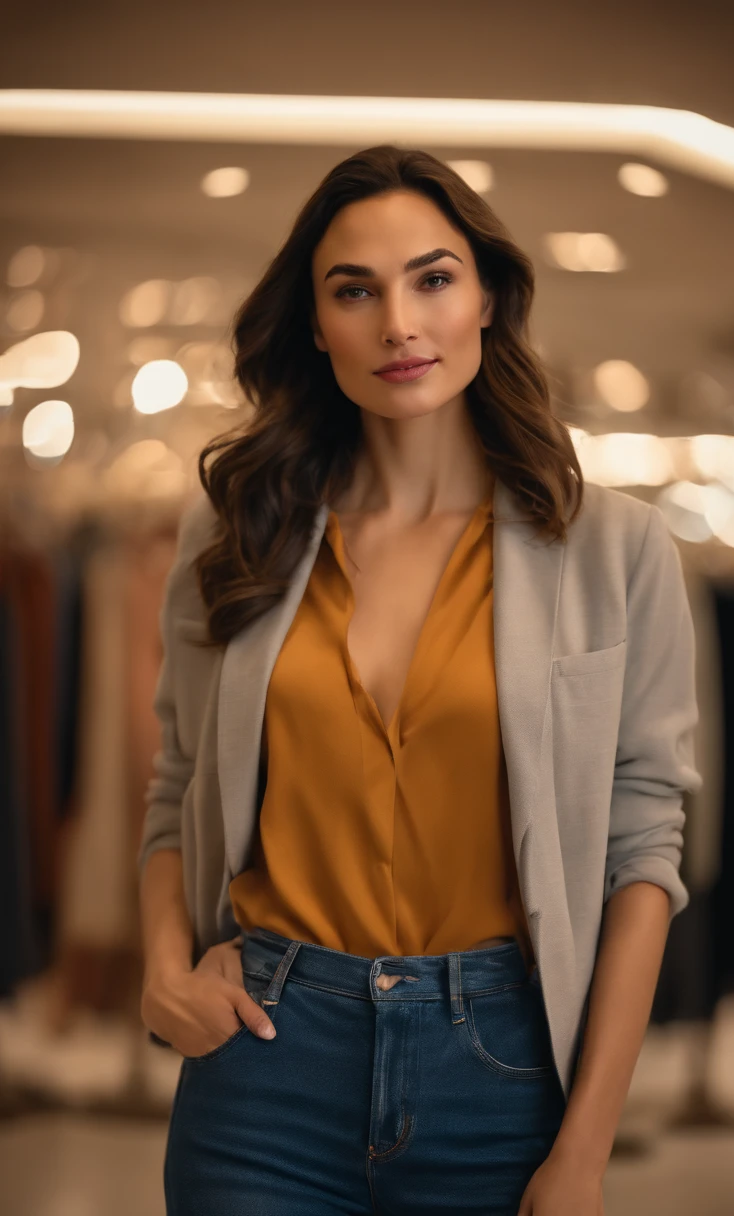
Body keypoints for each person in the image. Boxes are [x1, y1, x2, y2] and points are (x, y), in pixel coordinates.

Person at [137, 144, 702, 1216]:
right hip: (266, 1060)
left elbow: (643, 848)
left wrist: (584, 1149)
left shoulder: (613, 552)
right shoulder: (237, 531)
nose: (398, 322)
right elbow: (175, 783)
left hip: (499, 1068)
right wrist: (165, 969)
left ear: (487, 296)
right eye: (355, 290)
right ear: (314, 325)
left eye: (432, 278)